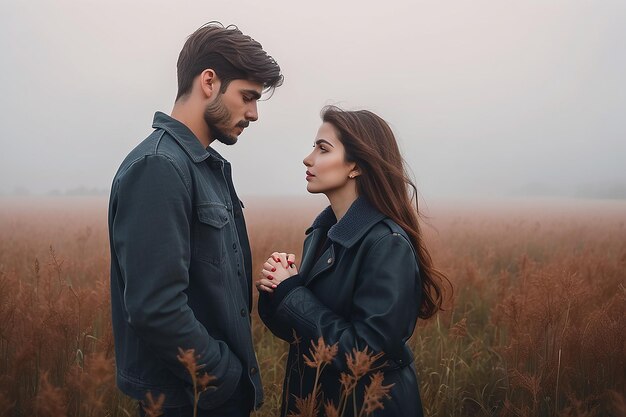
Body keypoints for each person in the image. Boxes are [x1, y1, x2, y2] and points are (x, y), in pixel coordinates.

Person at [108, 22, 283, 416]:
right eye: (248, 96)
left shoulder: (204, 166)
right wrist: (221, 377)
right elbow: (156, 307)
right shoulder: (159, 166)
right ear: (209, 82)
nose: (253, 113)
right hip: (187, 401)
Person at [256, 106, 448, 417]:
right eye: (313, 147)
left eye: (323, 148)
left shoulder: (387, 244)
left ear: (355, 166)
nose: (308, 158)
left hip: (366, 407)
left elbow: (366, 352)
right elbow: (307, 333)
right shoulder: (322, 233)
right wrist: (277, 291)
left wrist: (293, 295)